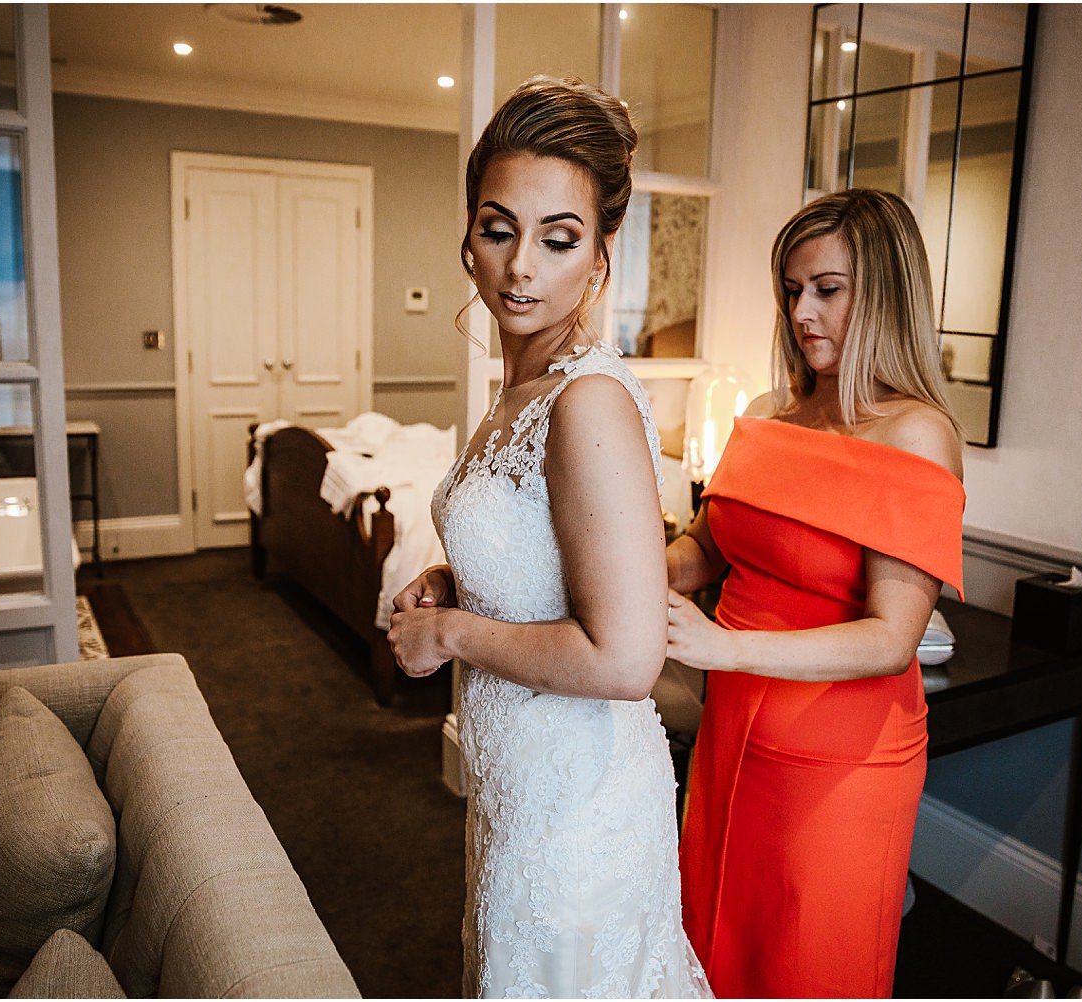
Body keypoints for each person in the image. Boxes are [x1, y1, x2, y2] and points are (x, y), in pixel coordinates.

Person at [387, 76, 710, 1000]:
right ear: (469, 241)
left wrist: (449, 635)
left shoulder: (589, 402)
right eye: (499, 230)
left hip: (581, 810)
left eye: (559, 239)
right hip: (520, 792)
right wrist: (458, 580)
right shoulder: (517, 394)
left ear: (601, 256)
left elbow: (625, 659)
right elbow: (540, 563)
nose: (521, 266)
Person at [666, 188, 967, 998]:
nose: (803, 312)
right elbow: (707, 547)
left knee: (806, 963)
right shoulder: (770, 414)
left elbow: (891, 637)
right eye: (792, 291)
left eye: (827, 289)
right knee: (710, 936)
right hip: (734, 728)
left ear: (886, 294)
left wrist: (720, 645)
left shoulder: (915, 434)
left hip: (839, 757)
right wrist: (625, 568)